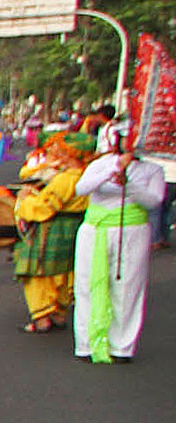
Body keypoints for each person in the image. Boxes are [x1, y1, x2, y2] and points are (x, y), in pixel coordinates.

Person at [72, 121, 168, 363]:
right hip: (95, 230)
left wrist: (130, 184)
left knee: (127, 287)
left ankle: (122, 346)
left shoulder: (153, 170)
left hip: (132, 231)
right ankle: (86, 343)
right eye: (128, 138)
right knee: (87, 284)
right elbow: (82, 188)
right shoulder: (99, 164)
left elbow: (155, 201)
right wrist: (113, 170)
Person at [10, 132, 91, 333]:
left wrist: (26, 199)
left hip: (53, 228)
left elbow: (45, 207)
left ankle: (42, 317)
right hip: (74, 227)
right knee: (64, 272)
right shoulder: (88, 174)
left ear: (69, 154)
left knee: (38, 273)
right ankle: (59, 312)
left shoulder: (65, 179)